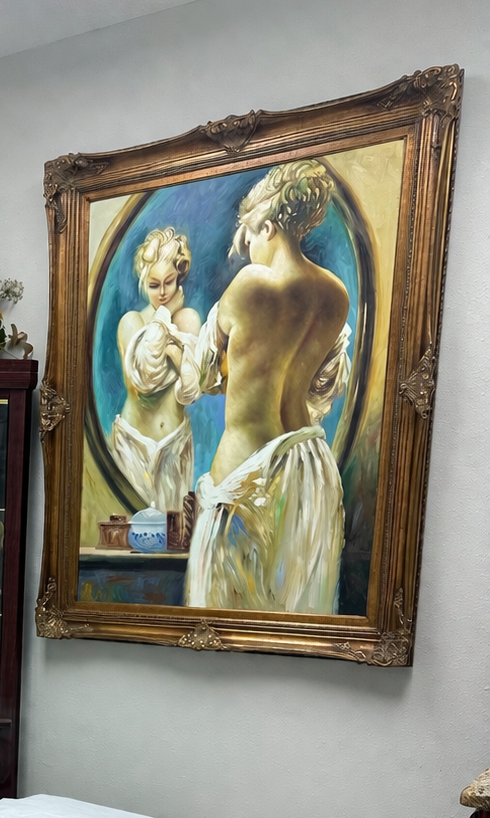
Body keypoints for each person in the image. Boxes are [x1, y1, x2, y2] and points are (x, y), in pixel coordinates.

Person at [186, 160, 352, 613]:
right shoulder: (335, 295)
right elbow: (320, 384)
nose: (248, 249)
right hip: (308, 467)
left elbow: (200, 377)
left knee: (222, 620)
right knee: (294, 619)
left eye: (251, 236)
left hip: (246, 470)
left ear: (270, 226)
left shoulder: (250, 285)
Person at [111, 228, 201, 514]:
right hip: (131, 444)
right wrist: (165, 324)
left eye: (169, 282)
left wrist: (172, 351)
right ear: (143, 283)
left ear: (180, 278)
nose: (163, 293)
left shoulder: (188, 320)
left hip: (174, 445)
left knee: (171, 541)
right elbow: (145, 380)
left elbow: (190, 389)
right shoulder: (131, 322)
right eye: (153, 285)